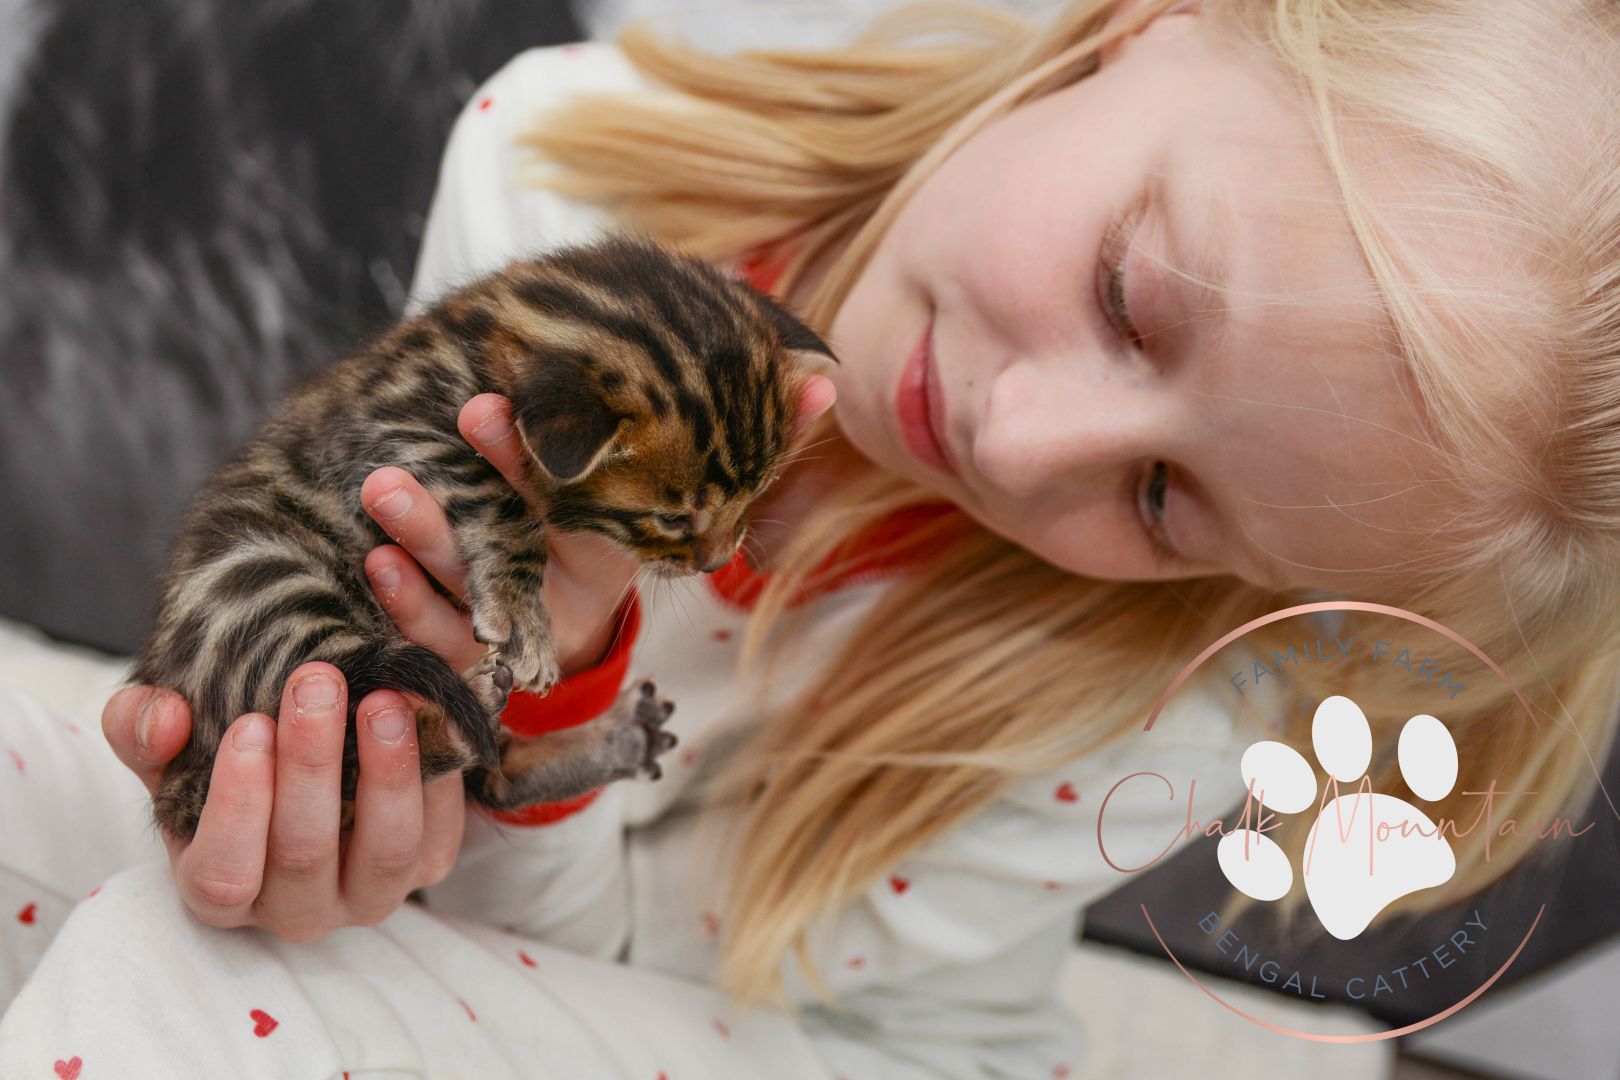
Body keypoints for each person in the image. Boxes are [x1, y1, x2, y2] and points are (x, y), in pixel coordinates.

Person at [3, 0, 1617, 1074]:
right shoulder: (558, 166)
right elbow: (413, 846)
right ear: (1144, 27)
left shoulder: (1170, 695)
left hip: (823, 1042)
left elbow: (646, 968)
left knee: (180, 971)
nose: (1018, 435)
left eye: (1163, 500)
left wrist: (552, 705)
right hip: (542, 930)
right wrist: (340, 777)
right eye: (1129, 299)